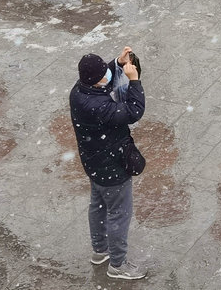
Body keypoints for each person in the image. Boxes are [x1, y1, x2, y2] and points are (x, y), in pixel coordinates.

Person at [70, 46, 147, 280]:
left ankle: (99, 251)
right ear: (95, 82)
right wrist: (134, 81)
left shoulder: (79, 91)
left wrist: (117, 62)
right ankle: (118, 264)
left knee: (98, 205)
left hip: (94, 163)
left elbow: (103, 77)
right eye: (105, 73)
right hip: (112, 165)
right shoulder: (99, 107)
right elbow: (134, 111)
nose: (108, 75)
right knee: (119, 214)